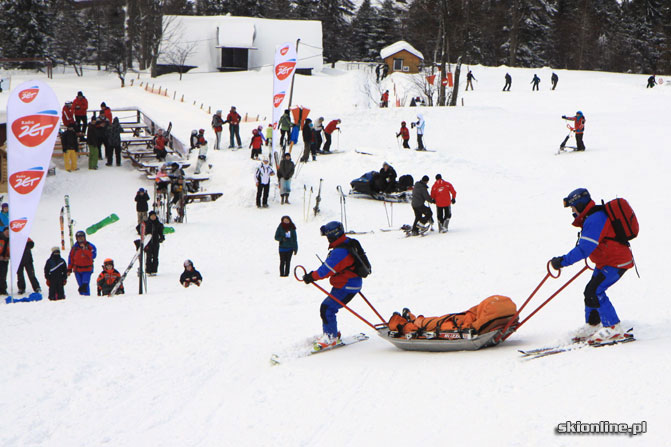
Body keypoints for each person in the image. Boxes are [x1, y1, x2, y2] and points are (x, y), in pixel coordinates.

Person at [550, 188, 634, 343]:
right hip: (605, 261)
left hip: (617, 261)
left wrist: (562, 261)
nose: (572, 211)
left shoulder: (595, 219)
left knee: (595, 291)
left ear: (580, 205)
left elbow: (584, 249)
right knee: (589, 292)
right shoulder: (591, 217)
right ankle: (593, 325)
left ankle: (614, 329)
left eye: (573, 207)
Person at [302, 221, 363, 349]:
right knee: (328, 308)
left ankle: (330, 337)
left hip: (346, 286)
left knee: (327, 308)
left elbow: (325, 270)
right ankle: (332, 333)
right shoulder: (347, 242)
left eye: (327, 236)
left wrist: (311, 277)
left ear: (332, 236)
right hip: (350, 282)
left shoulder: (339, 252)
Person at [68, 230, 97, 296]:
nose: (80, 239)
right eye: (79, 237)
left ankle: (87, 298)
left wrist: (85, 250)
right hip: (77, 270)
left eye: (82, 237)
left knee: (85, 285)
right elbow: (71, 258)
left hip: (87, 269)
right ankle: (82, 299)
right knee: (81, 286)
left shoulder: (90, 246)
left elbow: (93, 255)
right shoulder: (75, 247)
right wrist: (69, 269)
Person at [139, 211, 165, 276]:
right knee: (148, 257)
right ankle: (148, 270)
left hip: (156, 242)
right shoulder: (146, 223)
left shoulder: (158, 224)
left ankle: (154, 270)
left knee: (155, 257)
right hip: (148, 242)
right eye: (152, 216)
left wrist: (161, 238)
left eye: (154, 216)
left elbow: (161, 233)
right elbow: (140, 229)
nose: (153, 217)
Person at [0, 228, 9, 294]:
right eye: (6, 232)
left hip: (5, 260)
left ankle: (3, 289)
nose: (7, 233)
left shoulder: (10, 240)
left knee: (3, 275)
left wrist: (8, 256)